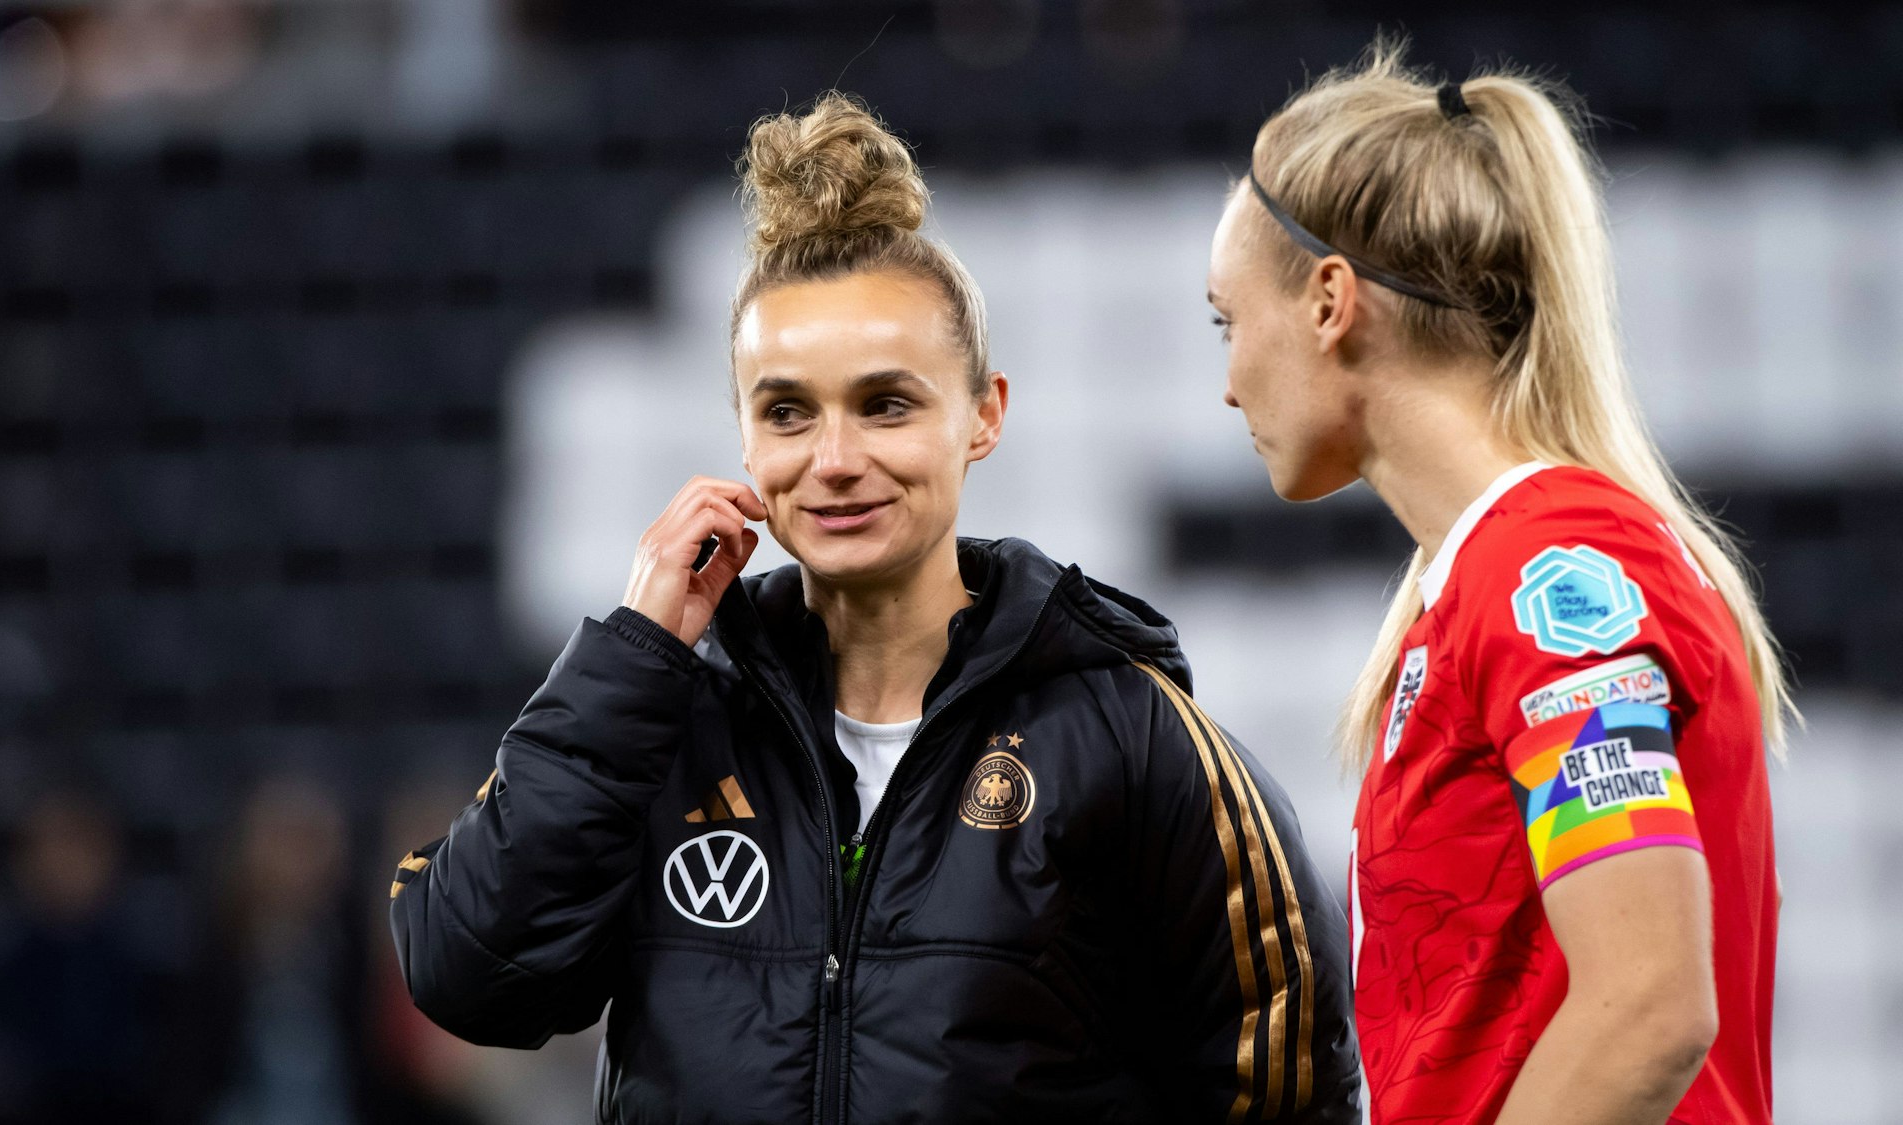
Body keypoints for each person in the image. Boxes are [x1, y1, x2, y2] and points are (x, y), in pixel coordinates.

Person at [391, 92, 1360, 1122]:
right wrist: (630, 657)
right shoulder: (659, 725)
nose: (835, 461)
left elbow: (1287, 1096)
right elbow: (469, 974)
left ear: (982, 415)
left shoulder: (1132, 741)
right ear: (743, 434)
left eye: (885, 404)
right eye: (787, 412)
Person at [1203, 40, 1792, 1125]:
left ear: (1330, 301)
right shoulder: (1497, 571)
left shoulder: (1552, 575)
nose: (1226, 381)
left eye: (1225, 322)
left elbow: (1648, 1005)